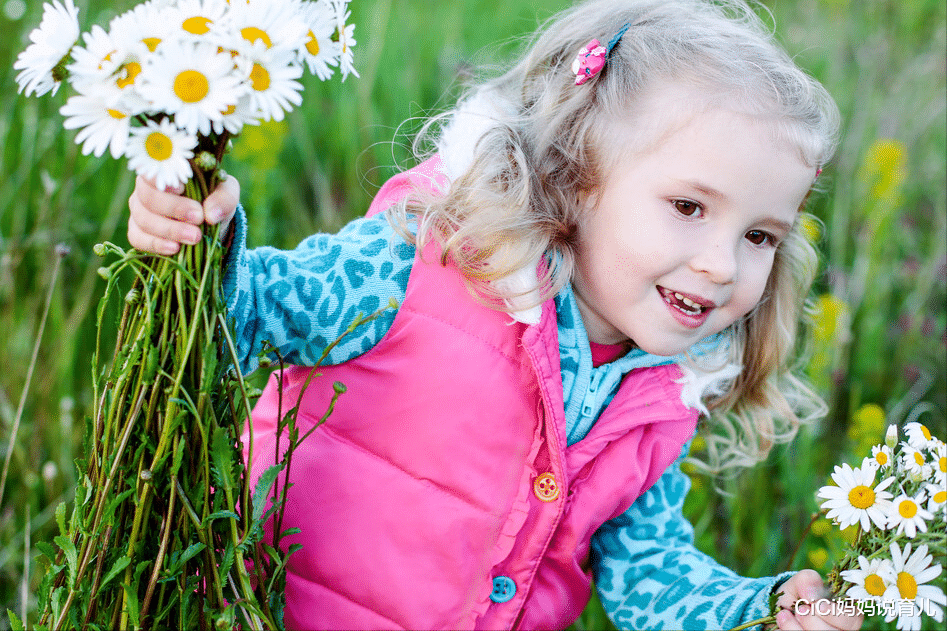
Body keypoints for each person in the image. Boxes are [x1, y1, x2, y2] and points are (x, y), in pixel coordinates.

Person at [126, 1, 862, 629]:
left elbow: (651, 573)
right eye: (689, 207)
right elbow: (243, 314)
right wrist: (195, 237)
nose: (722, 265)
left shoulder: (658, 395)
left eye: (760, 236)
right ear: (576, 176)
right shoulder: (423, 264)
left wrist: (764, 610)